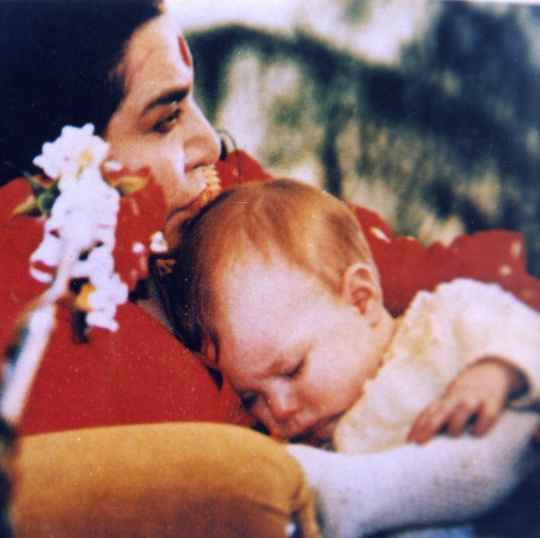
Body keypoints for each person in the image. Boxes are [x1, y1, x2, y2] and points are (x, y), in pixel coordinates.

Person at [0, 0, 540, 535]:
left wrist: (504, 363)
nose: (211, 140)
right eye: (166, 115)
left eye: (192, 104)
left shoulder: (223, 200)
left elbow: (456, 285)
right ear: (45, 155)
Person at [166, 178, 540, 535]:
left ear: (360, 299)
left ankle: (366, 493)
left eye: (293, 370)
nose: (277, 411)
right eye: (252, 398)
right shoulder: (320, 450)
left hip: (513, 482)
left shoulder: (441, 321)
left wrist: (496, 372)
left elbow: (526, 332)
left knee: (510, 430)